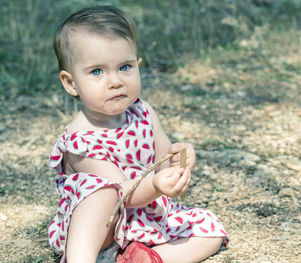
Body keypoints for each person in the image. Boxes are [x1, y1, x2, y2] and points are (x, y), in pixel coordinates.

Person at [48, 6, 228, 263]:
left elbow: (162, 158)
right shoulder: (80, 141)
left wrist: (178, 162)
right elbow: (123, 193)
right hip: (102, 234)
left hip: (145, 220)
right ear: (71, 83)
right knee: (101, 192)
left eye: (124, 67)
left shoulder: (143, 112)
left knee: (211, 232)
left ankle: (143, 259)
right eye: (97, 71)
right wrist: (155, 185)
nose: (115, 81)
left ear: (138, 65)